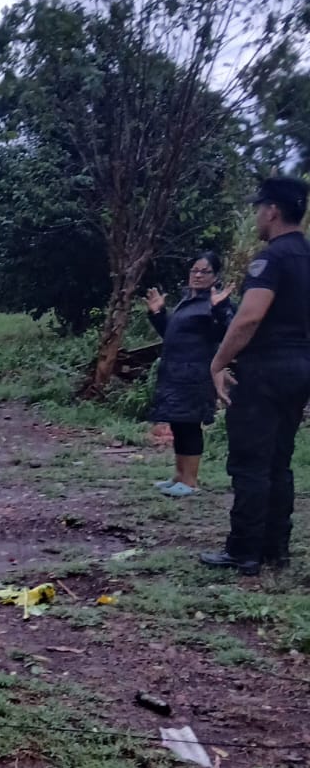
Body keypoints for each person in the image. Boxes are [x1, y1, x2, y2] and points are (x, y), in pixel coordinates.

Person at [200, 176, 310, 575]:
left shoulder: (272, 259)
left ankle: (243, 550)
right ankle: (275, 551)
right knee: (279, 463)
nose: (257, 215)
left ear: (273, 211)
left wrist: (217, 362)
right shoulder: (306, 256)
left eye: (259, 208)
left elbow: (248, 318)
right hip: (300, 368)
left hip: (265, 370)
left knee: (249, 463)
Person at [144, 253, 235, 496]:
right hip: (174, 374)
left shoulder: (214, 303)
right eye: (194, 270)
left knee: (190, 425)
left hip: (195, 374)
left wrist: (220, 308)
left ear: (215, 276)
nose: (197, 275)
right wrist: (158, 314)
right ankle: (179, 476)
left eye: (204, 271)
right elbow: (172, 335)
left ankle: (191, 480)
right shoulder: (187, 301)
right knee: (179, 423)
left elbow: (226, 331)